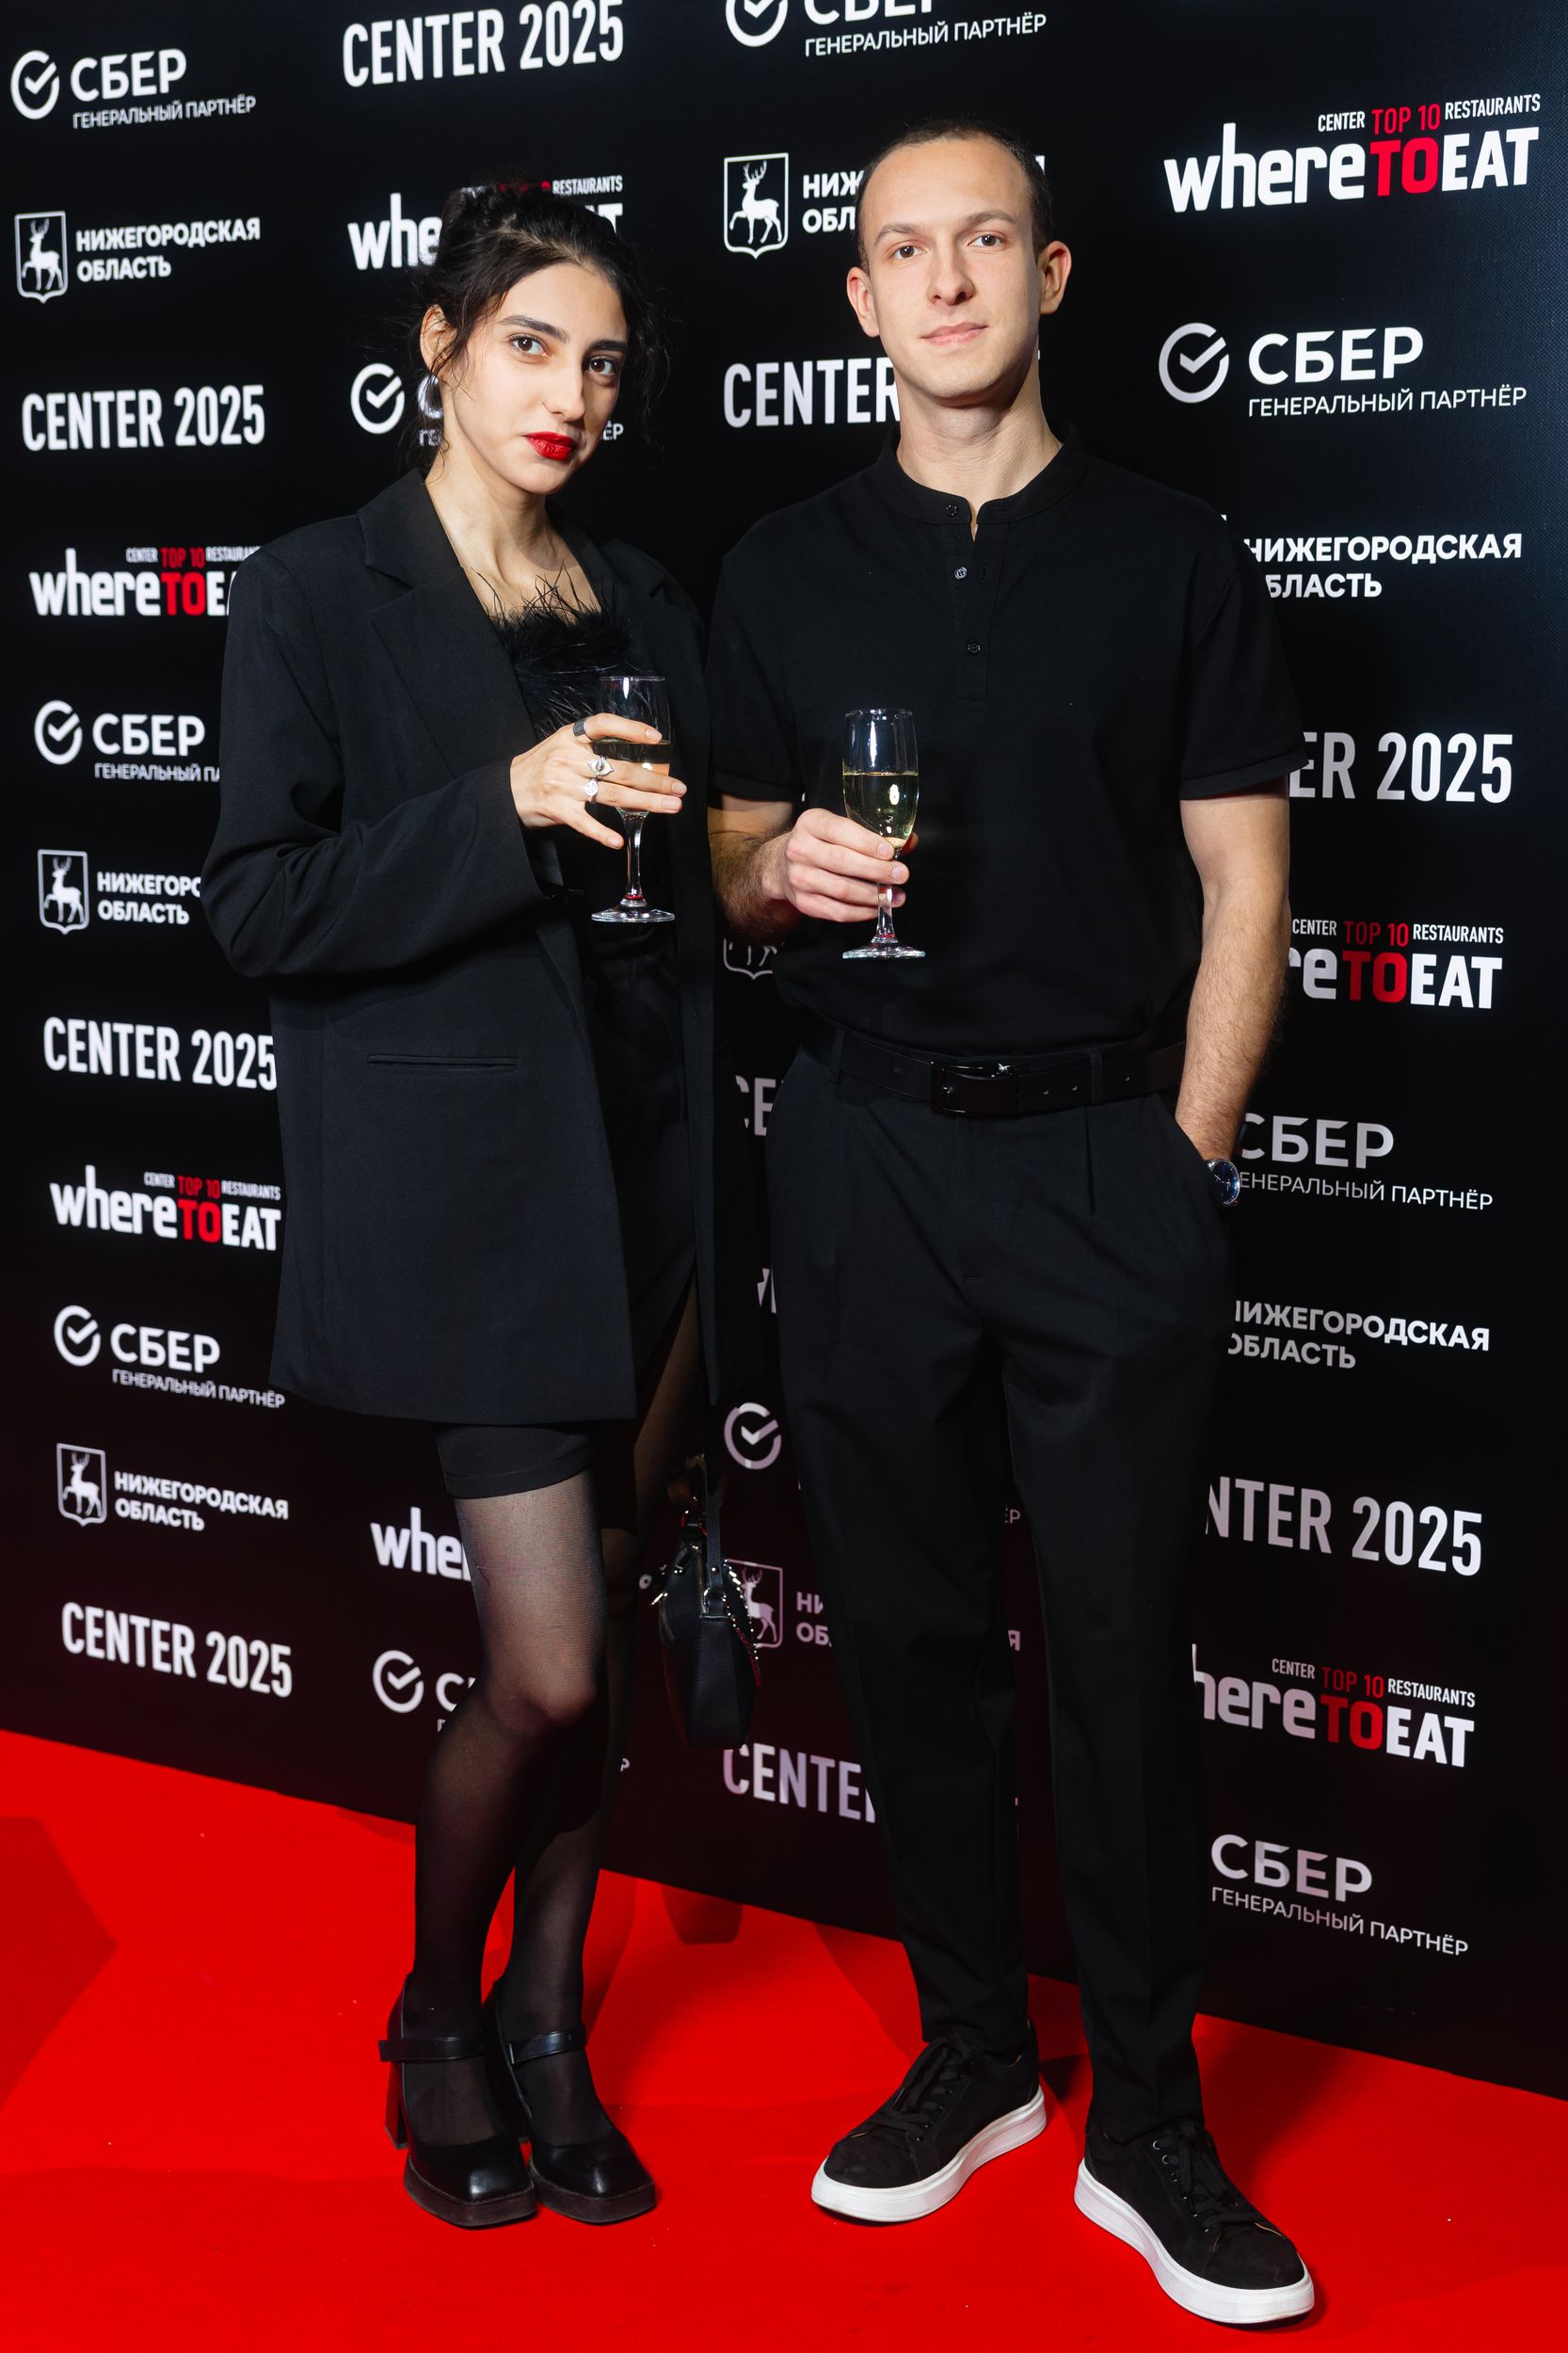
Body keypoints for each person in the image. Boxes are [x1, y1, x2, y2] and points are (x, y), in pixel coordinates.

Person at [707, 120, 1314, 2325]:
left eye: (983, 240)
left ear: (1049, 274)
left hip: (1096, 1162)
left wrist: (1182, 1156)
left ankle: (1147, 2122)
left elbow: (1243, 876)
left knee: (1123, 1658)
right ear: (857, 299)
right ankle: (971, 2051)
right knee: (905, 1636)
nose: (945, 279)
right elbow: (727, 854)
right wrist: (771, 873)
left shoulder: (1170, 552)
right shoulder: (780, 566)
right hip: (860, 1150)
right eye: (904, 249)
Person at [205, 183, 743, 2232]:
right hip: (479, 1195)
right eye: (529, 345)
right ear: (437, 345)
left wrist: (767, 867)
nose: (568, 395)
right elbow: (259, 906)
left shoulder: (641, 593)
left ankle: (548, 2025)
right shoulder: (314, 589)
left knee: (605, 1614)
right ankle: (439, 2015)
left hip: (656, 1172)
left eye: (600, 361)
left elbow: (688, 870)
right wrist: (498, 807)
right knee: (551, 1665)